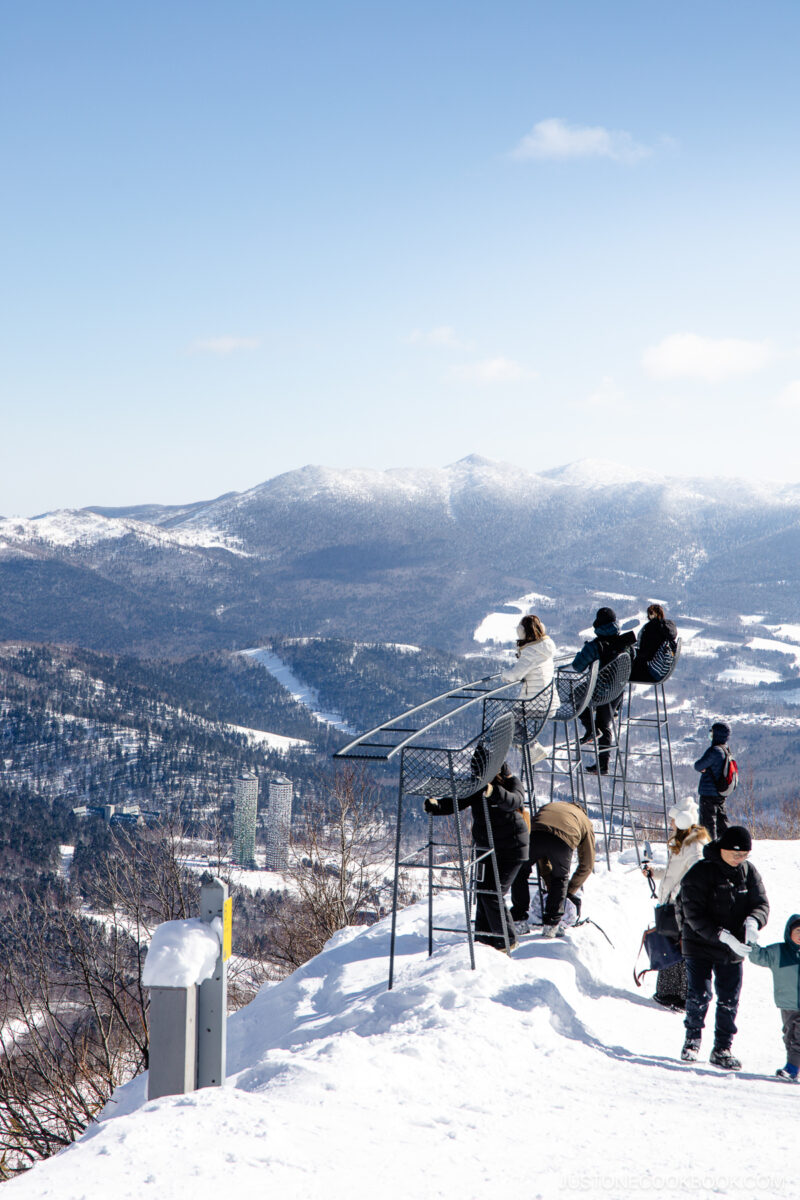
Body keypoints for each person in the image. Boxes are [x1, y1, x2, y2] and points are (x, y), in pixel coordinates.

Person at [677, 825, 769, 1070]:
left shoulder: (748, 872)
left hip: (733, 948)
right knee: (700, 993)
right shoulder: (700, 872)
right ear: (722, 849)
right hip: (699, 943)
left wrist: (754, 921)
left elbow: (761, 903)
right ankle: (692, 1041)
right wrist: (720, 935)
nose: (739, 859)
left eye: (744, 855)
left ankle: (722, 1048)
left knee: (729, 998)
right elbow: (692, 914)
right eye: (735, 854)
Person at [425, 760, 527, 952]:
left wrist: (493, 791)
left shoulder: (511, 781)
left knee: (493, 892)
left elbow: (515, 800)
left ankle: (506, 941)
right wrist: (436, 806)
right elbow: (458, 801)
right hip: (487, 848)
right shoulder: (477, 787)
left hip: (512, 847)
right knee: (482, 891)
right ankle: (483, 940)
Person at [642, 798, 710, 1010]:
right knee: (671, 944)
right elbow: (675, 872)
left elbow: (696, 874)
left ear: (683, 819)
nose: (670, 823)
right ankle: (669, 992)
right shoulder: (683, 840)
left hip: (681, 905)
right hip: (672, 903)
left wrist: (679, 895)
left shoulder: (695, 844)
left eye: (673, 819)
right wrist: (656, 872)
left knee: (679, 947)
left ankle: (678, 995)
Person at [724, 914, 800, 1082]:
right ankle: (794, 1065)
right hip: (787, 1004)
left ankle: (792, 1068)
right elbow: (759, 956)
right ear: (789, 933)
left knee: (798, 1038)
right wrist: (751, 941)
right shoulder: (780, 952)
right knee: (789, 1036)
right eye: (798, 931)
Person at [510, 799, 595, 937]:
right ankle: (551, 926)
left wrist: (549, 883)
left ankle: (519, 920)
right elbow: (587, 864)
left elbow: (543, 857)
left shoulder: (550, 806)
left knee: (520, 871)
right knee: (560, 878)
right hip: (563, 841)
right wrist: (568, 891)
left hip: (535, 834)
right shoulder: (584, 820)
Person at [571, 606, 636, 775]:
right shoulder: (627, 644)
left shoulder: (595, 646)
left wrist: (584, 650)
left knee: (574, 696)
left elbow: (577, 666)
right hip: (616, 693)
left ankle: (590, 729)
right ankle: (603, 765)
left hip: (599, 693)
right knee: (604, 725)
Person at [500, 614, 557, 763]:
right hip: (549, 702)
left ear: (522, 632)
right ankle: (528, 747)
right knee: (509, 721)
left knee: (506, 721)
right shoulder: (545, 648)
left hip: (536, 703)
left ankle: (531, 748)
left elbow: (515, 675)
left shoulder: (531, 652)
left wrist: (503, 674)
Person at [694, 721, 733, 839]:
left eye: (712, 732)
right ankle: (726, 844)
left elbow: (698, 765)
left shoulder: (714, 750)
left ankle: (709, 846)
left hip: (709, 794)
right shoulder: (726, 750)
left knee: (707, 824)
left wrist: (703, 769)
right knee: (722, 822)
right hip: (720, 793)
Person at [630, 603, 678, 683]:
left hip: (650, 673)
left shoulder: (651, 628)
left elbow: (645, 651)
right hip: (661, 672)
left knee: (621, 674)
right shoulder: (668, 628)